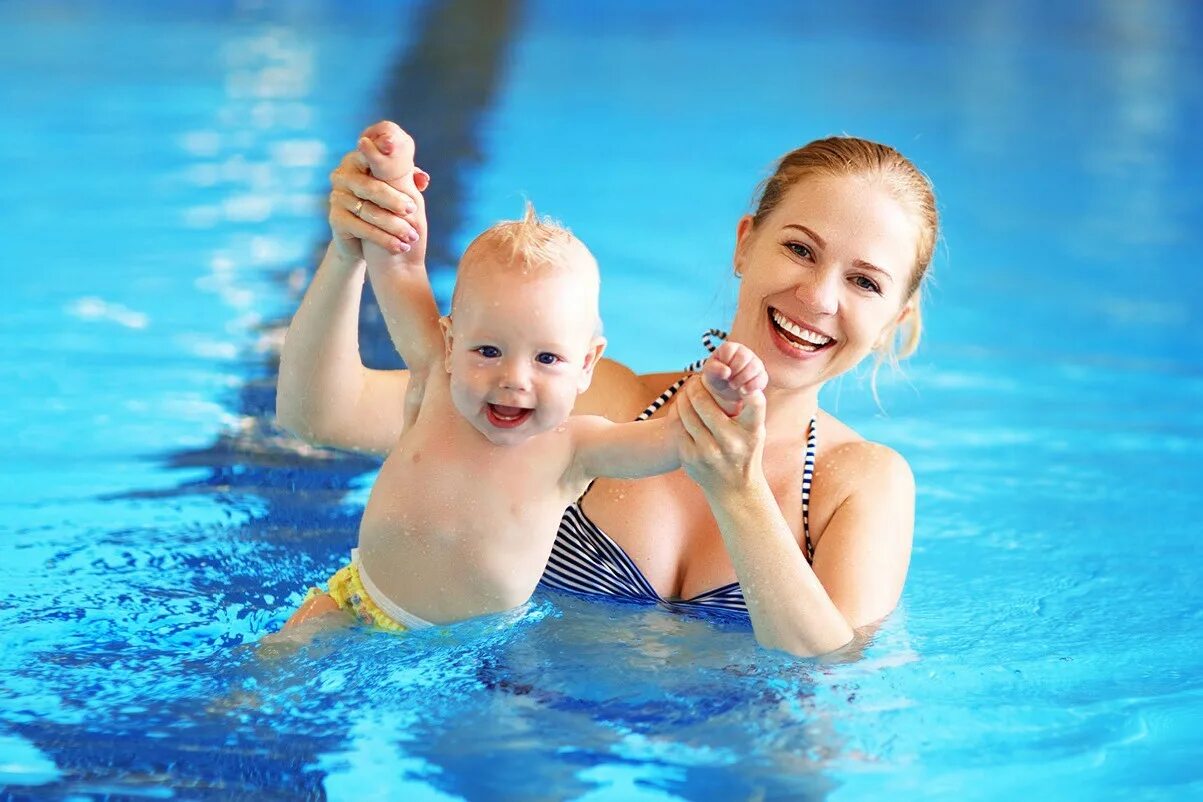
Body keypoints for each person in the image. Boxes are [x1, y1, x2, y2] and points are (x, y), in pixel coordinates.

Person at [278, 121, 937, 656]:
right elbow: (323, 416)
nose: (817, 297)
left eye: (864, 282)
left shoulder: (860, 484)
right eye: (799, 249)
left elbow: (831, 692)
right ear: (745, 245)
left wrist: (735, 490)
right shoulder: (579, 400)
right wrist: (346, 254)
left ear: (893, 323)